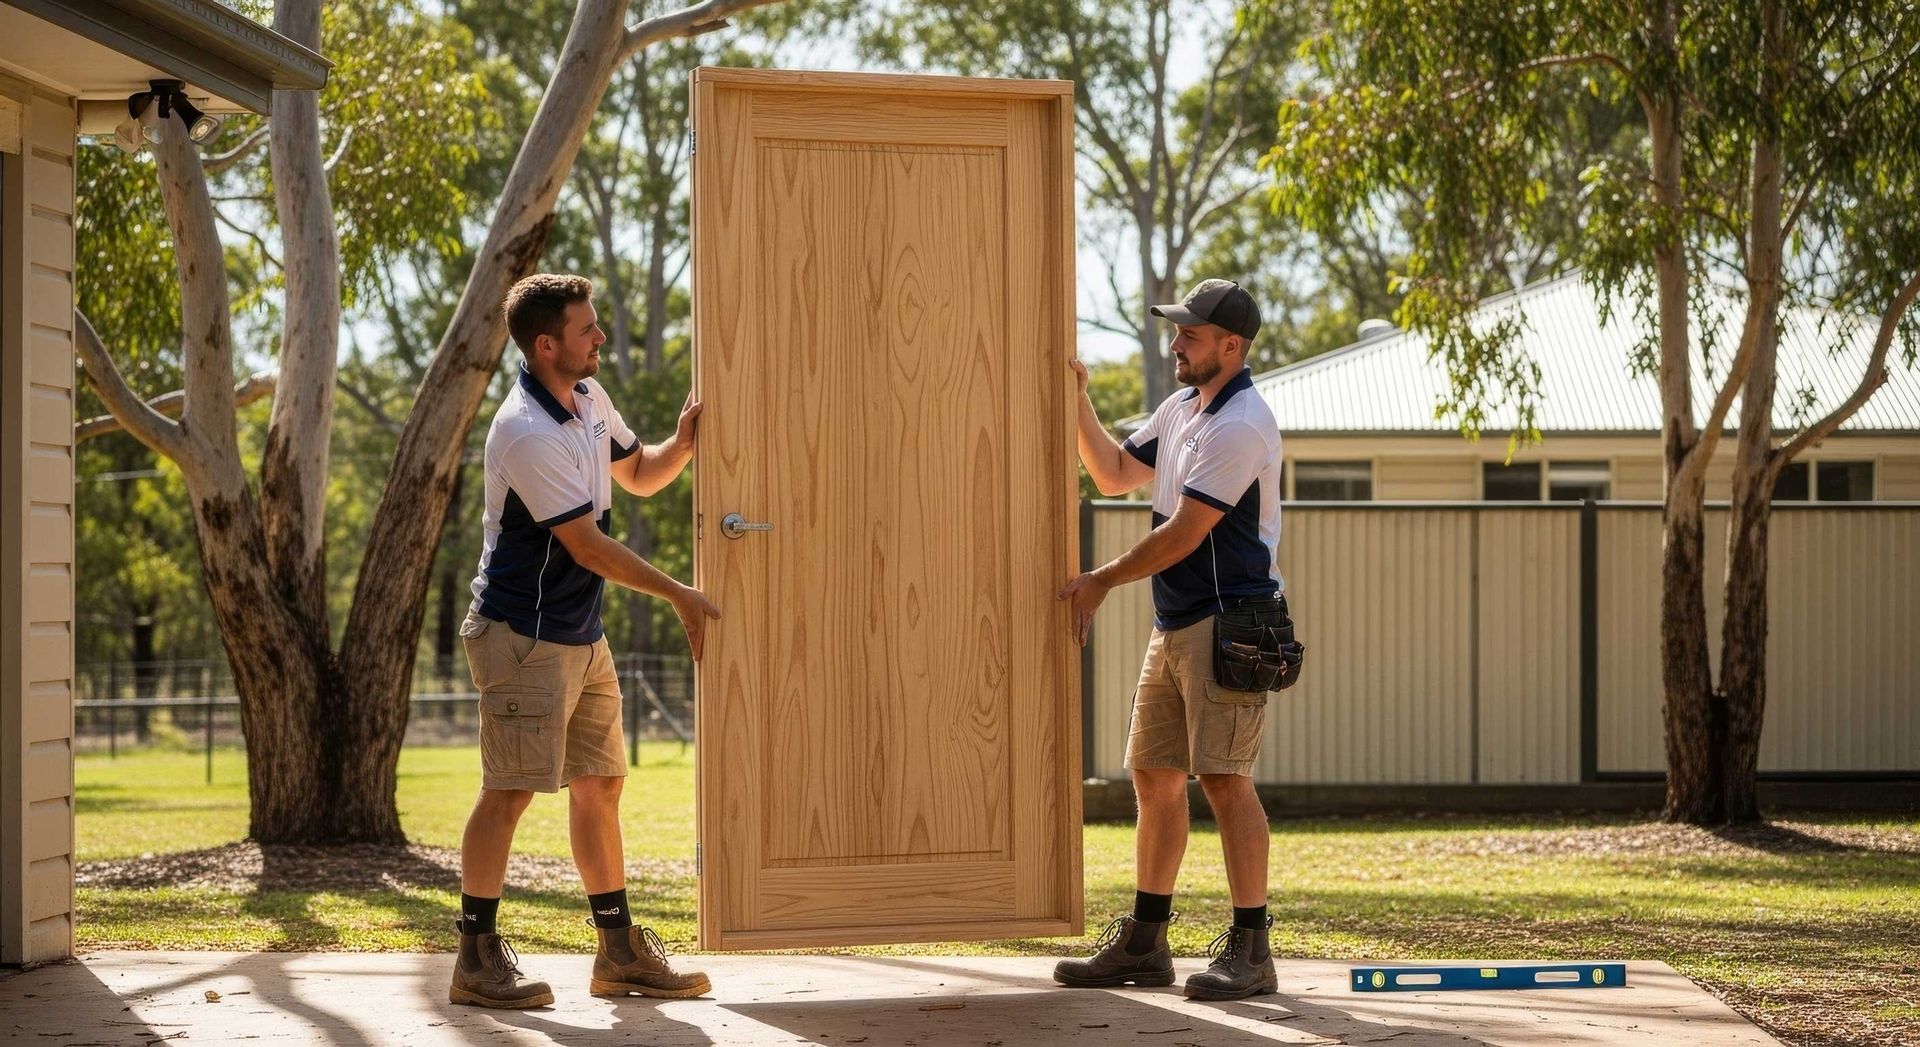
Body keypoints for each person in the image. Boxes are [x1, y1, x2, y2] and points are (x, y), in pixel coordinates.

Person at [449, 273, 721, 1009]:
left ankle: (619, 951)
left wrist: (685, 444)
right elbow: (586, 544)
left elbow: (639, 473)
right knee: (508, 793)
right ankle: (474, 957)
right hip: (521, 635)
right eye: (587, 328)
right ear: (546, 345)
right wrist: (680, 594)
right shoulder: (524, 430)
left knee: (600, 786)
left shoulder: (589, 401)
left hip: (579, 633)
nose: (600, 336)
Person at [1053, 279, 1287, 1001]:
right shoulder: (1183, 408)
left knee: (1223, 779)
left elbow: (1185, 533)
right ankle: (1146, 943)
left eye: (1191, 334)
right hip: (1176, 621)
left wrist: (1097, 580)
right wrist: (1076, 398)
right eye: (1178, 331)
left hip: (1231, 621)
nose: (1177, 343)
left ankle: (1253, 946)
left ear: (1231, 346)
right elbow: (1115, 472)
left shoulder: (1241, 423)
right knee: (1154, 777)